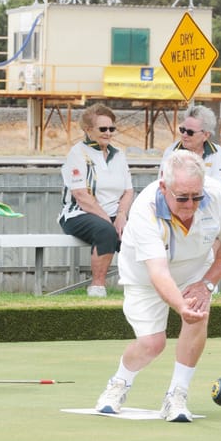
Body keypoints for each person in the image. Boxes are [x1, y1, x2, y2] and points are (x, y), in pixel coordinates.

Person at [95, 150, 221, 422]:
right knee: (152, 344)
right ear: (164, 187)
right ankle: (119, 383)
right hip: (146, 277)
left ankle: (177, 394)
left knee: (197, 318)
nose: (191, 204)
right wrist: (180, 305)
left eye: (196, 196)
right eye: (182, 198)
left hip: (196, 270)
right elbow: (159, 272)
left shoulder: (216, 195)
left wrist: (207, 284)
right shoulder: (145, 209)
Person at [160, 105, 221, 295]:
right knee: (219, 227)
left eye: (189, 131)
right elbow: (166, 185)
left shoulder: (218, 152)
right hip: (180, 205)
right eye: (182, 130)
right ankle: (217, 281)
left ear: (205, 135)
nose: (184, 135)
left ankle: (217, 281)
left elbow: (218, 185)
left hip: (208, 202)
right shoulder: (171, 152)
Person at [59, 104, 134, 297]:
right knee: (105, 231)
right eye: (103, 129)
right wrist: (108, 221)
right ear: (88, 130)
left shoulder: (119, 154)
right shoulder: (77, 153)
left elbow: (128, 191)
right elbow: (81, 196)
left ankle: (140, 287)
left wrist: (121, 215)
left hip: (114, 215)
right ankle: (97, 286)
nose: (108, 133)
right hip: (79, 213)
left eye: (111, 129)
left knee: (141, 232)